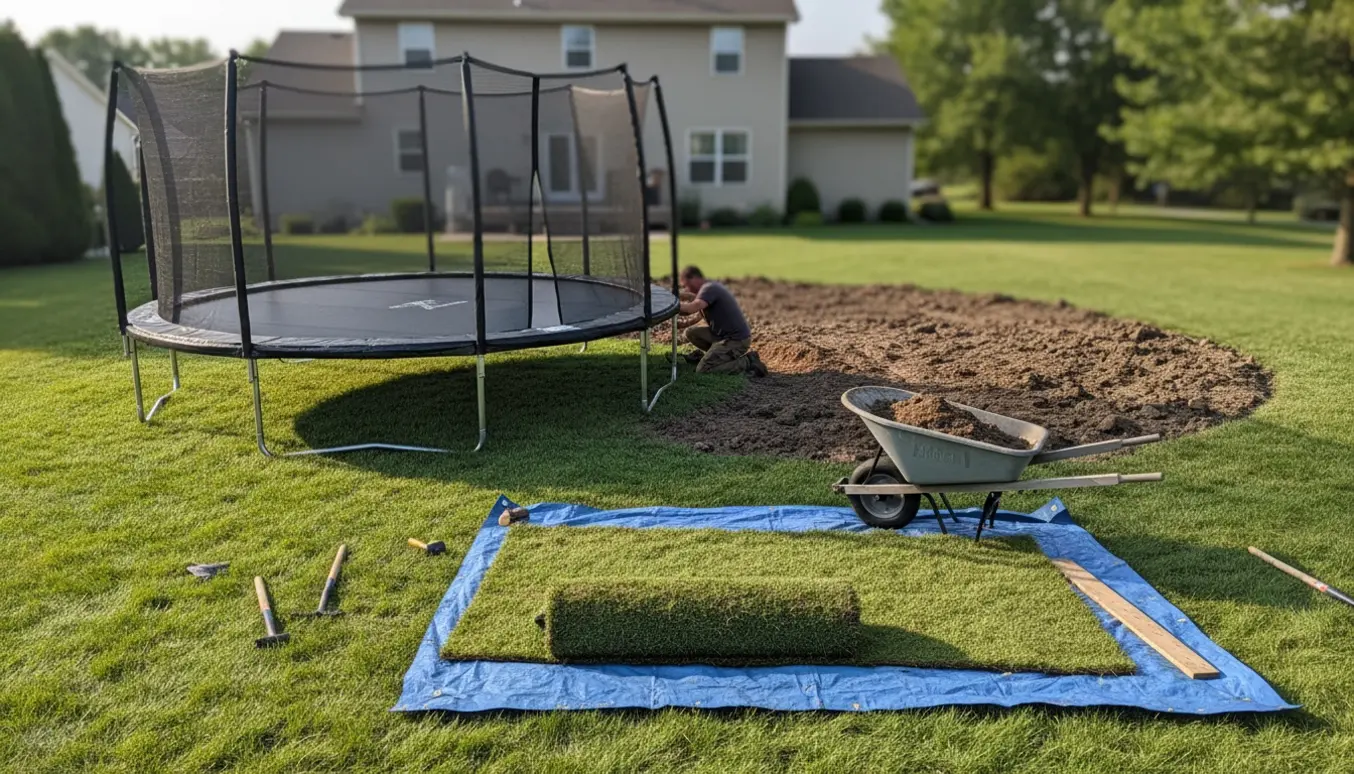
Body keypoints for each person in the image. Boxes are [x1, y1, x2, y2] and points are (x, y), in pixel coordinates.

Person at [677, 266, 767, 377]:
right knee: (691, 332)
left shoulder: (709, 289)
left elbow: (691, 308)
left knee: (703, 370)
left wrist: (673, 304)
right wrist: (678, 297)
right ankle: (712, 357)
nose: (686, 289)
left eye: (686, 285)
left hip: (735, 340)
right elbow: (692, 302)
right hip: (721, 335)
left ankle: (748, 361)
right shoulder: (709, 288)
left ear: (694, 278)